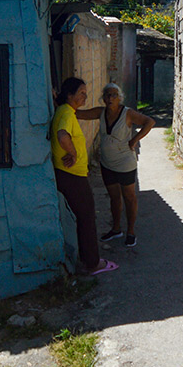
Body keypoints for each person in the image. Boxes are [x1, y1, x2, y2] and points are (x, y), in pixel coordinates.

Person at [51, 77, 117, 275]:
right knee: (87, 217)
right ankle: (92, 263)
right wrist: (72, 153)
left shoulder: (66, 111)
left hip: (71, 174)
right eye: (81, 92)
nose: (85, 96)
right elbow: (63, 135)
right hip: (72, 175)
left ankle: (85, 257)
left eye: (85, 92)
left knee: (82, 216)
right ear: (69, 95)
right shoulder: (66, 113)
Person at [77, 82, 155, 247]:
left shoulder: (127, 114)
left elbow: (149, 122)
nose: (110, 98)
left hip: (125, 163)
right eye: (107, 95)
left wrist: (134, 139)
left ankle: (131, 231)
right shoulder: (101, 112)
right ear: (103, 98)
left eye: (114, 95)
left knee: (129, 197)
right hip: (107, 163)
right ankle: (116, 229)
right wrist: (59, 102)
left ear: (119, 98)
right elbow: (78, 114)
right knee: (114, 197)